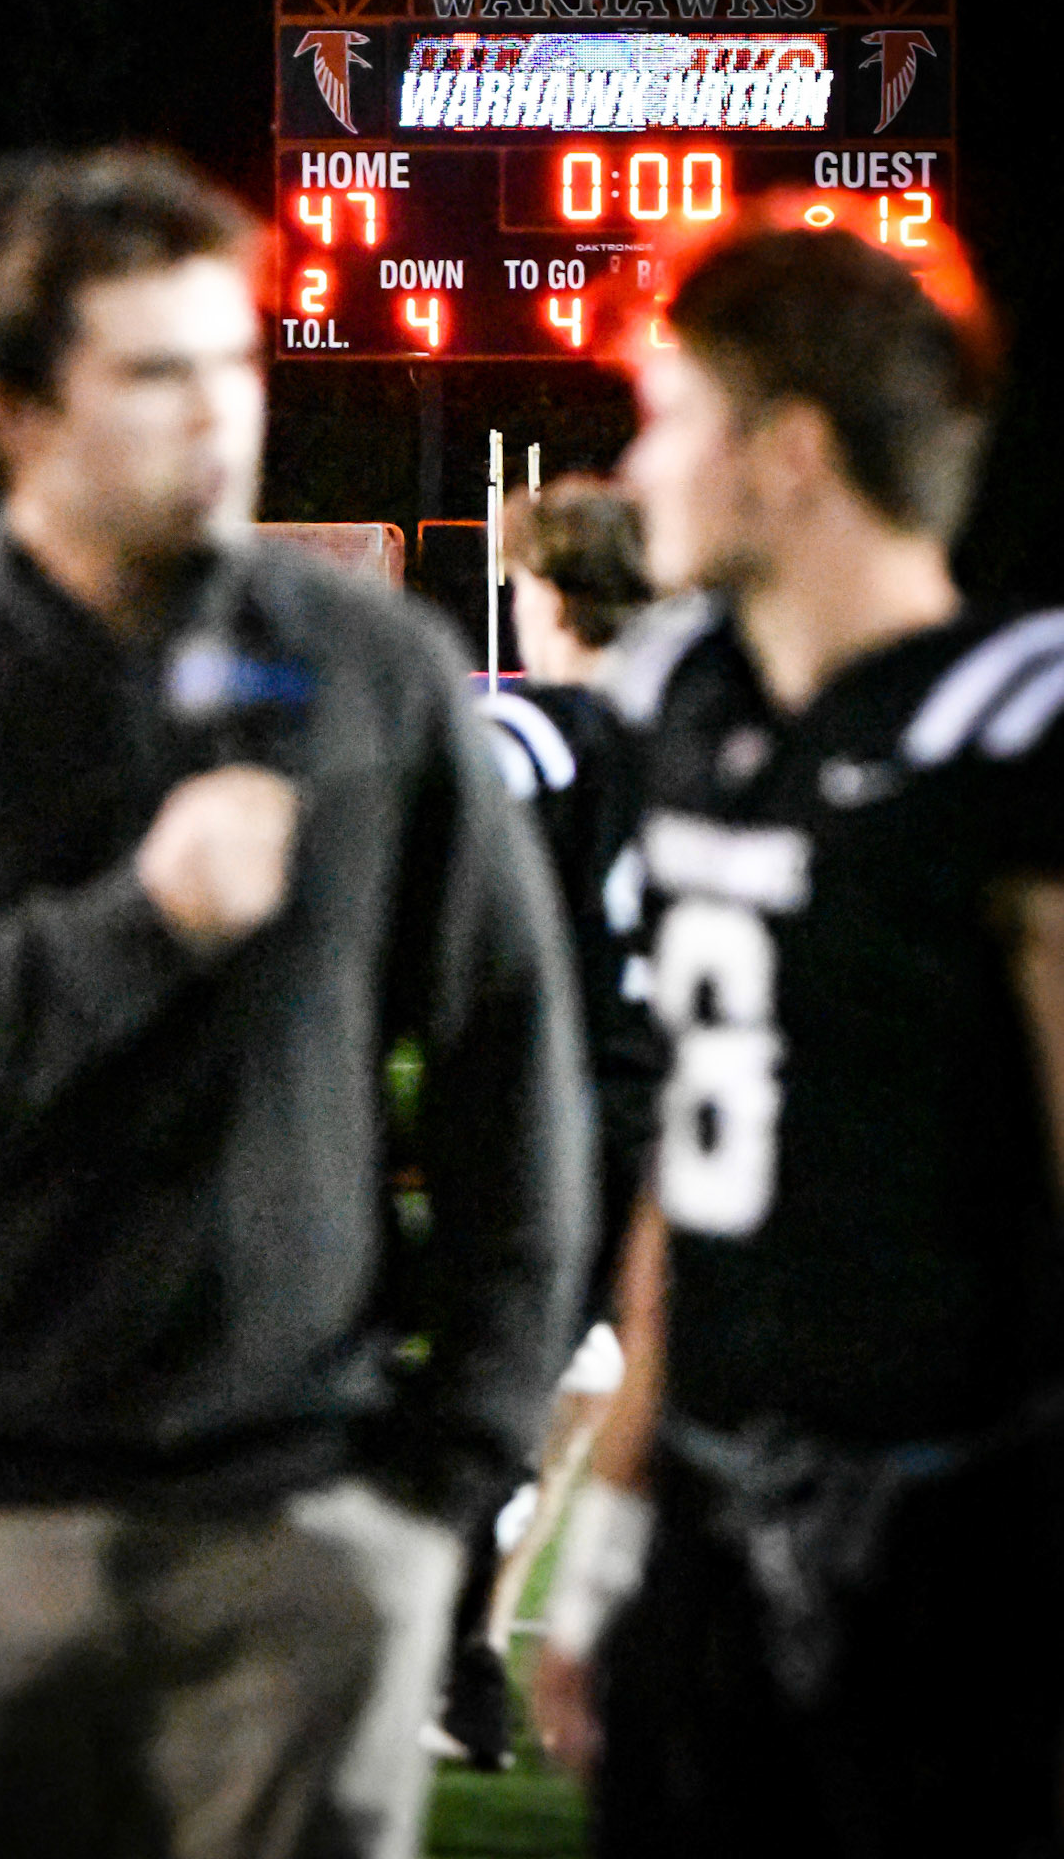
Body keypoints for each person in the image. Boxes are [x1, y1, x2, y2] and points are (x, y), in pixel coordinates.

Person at [0, 148, 592, 1859]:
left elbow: (519, 1076)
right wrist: (133, 931)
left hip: (289, 1516)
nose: (219, 412)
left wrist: (449, 1475)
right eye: (155, 371)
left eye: (234, 360)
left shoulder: (369, 671)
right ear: (11, 409)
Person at [535, 222, 1064, 1856]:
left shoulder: (1007, 725)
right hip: (712, 1509)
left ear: (789, 454)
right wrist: (612, 1539)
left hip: (958, 1527)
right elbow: (695, 1164)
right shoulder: (687, 706)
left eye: (671, 416)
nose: (638, 467)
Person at [425, 480, 657, 1771]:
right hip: (686, 1109)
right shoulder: (701, 728)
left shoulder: (534, 731)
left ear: (548, 593)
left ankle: (445, 1663)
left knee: (480, 1395)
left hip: (561, 1108)